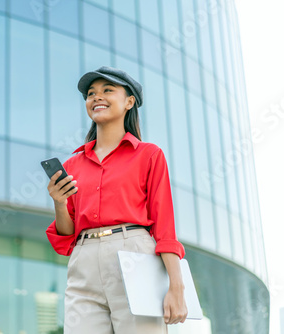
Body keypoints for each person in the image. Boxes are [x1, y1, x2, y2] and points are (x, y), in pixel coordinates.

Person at [45, 66, 187, 333]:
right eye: (91, 93)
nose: (96, 97)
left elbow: (164, 226)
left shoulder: (149, 155)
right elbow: (67, 233)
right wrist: (59, 203)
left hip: (134, 253)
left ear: (129, 102)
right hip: (83, 260)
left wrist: (176, 286)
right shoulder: (73, 164)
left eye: (107, 90)